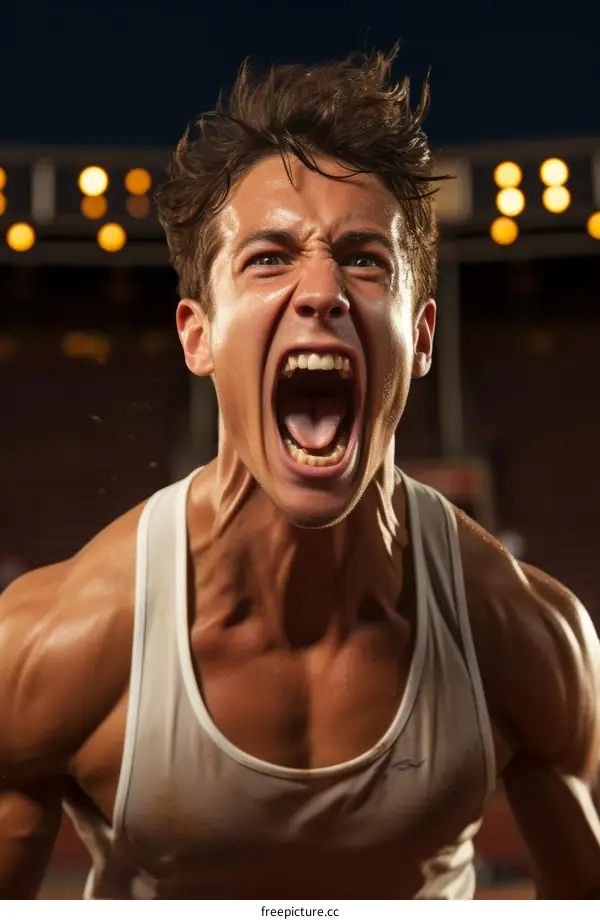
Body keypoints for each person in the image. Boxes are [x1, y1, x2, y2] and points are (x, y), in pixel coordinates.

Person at [1, 50, 599, 901]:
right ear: (197, 335)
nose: (321, 290)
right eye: (269, 259)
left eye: (364, 260)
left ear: (421, 338)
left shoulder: (528, 637)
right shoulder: (47, 650)